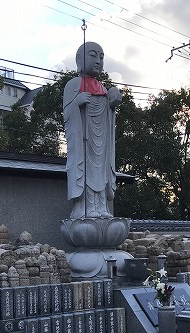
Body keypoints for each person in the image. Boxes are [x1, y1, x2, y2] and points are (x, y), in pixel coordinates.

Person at [63, 41, 122, 219]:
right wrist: (76, 102)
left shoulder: (103, 88)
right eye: (93, 55)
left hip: (101, 142)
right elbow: (67, 113)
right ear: (79, 59)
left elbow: (109, 117)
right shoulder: (73, 85)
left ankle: (102, 206)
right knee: (85, 170)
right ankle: (84, 208)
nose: (98, 60)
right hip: (83, 141)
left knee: (102, 170)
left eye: (101, 57)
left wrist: (113, 104)